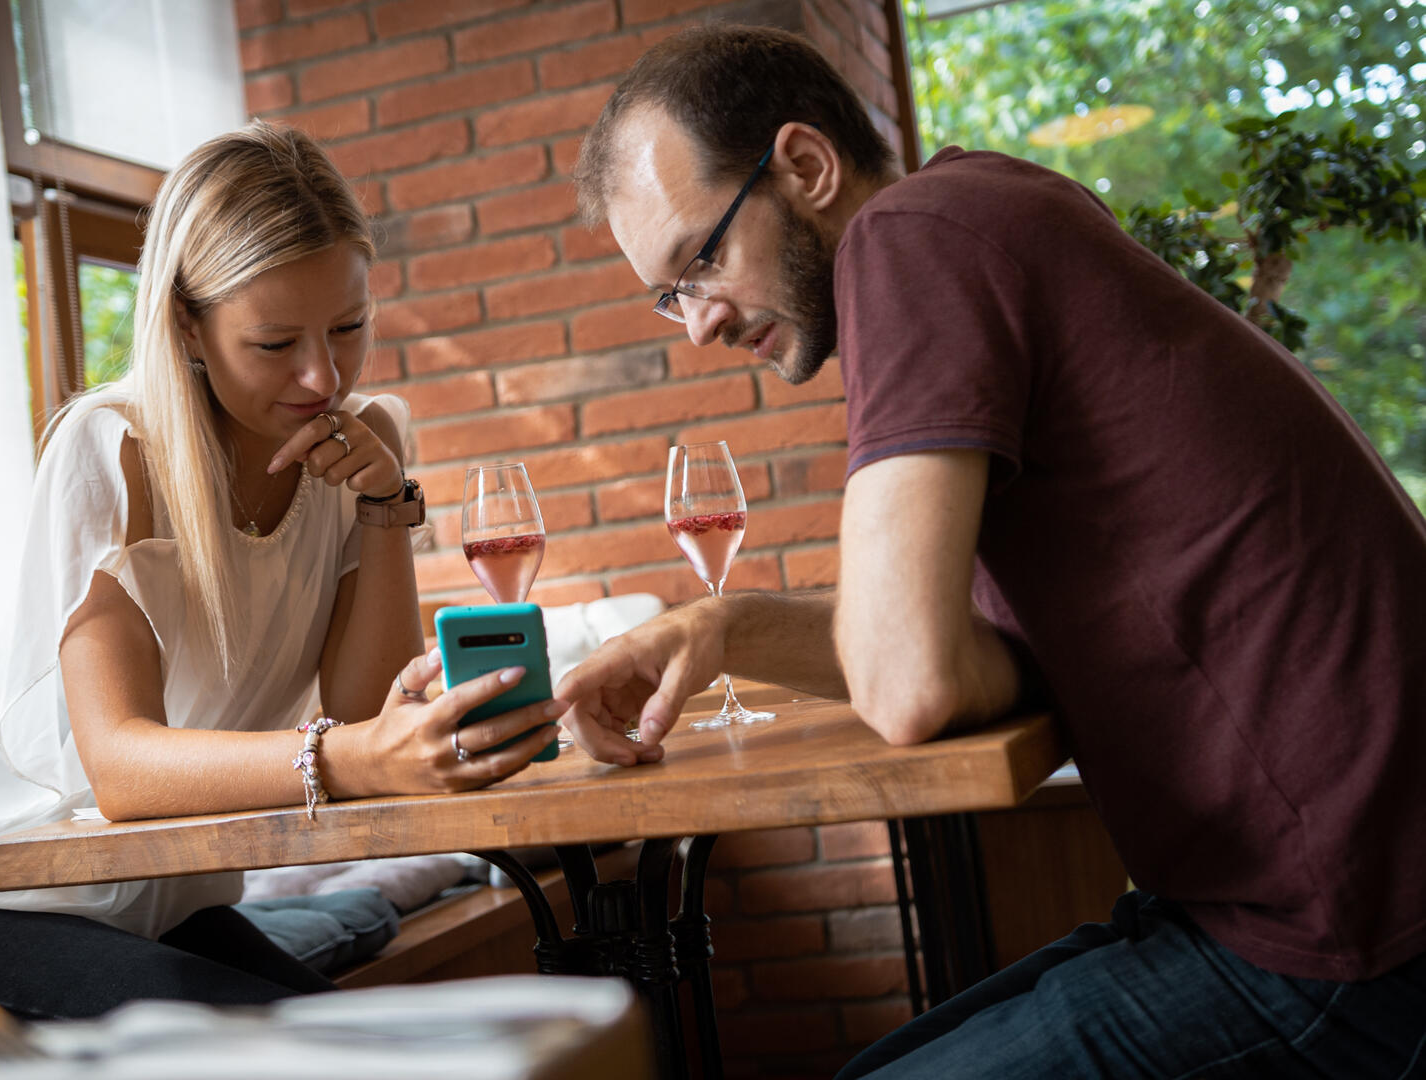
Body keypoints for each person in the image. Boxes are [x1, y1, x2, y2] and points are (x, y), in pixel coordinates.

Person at [560, 24, 1426, 1078]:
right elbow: (990, 666)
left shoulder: (910, 238)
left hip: (1354, 937)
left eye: (701, 262)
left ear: (804, 165)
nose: (695, 325)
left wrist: (828, 646)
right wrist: (726, 626)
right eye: (669, 295)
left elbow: (913, 686)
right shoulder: (987, 213)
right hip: (1291, 894)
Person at [0, 121, 564, 1028]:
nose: (322, 375)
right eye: (274, 342)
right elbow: (123, 768)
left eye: (349, 327)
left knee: (362, 1042)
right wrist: (346, 756)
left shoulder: (370, 440)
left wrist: (384, 513)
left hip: (144, 908)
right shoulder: (116, 450)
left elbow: (370, 718)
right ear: (189, 325)